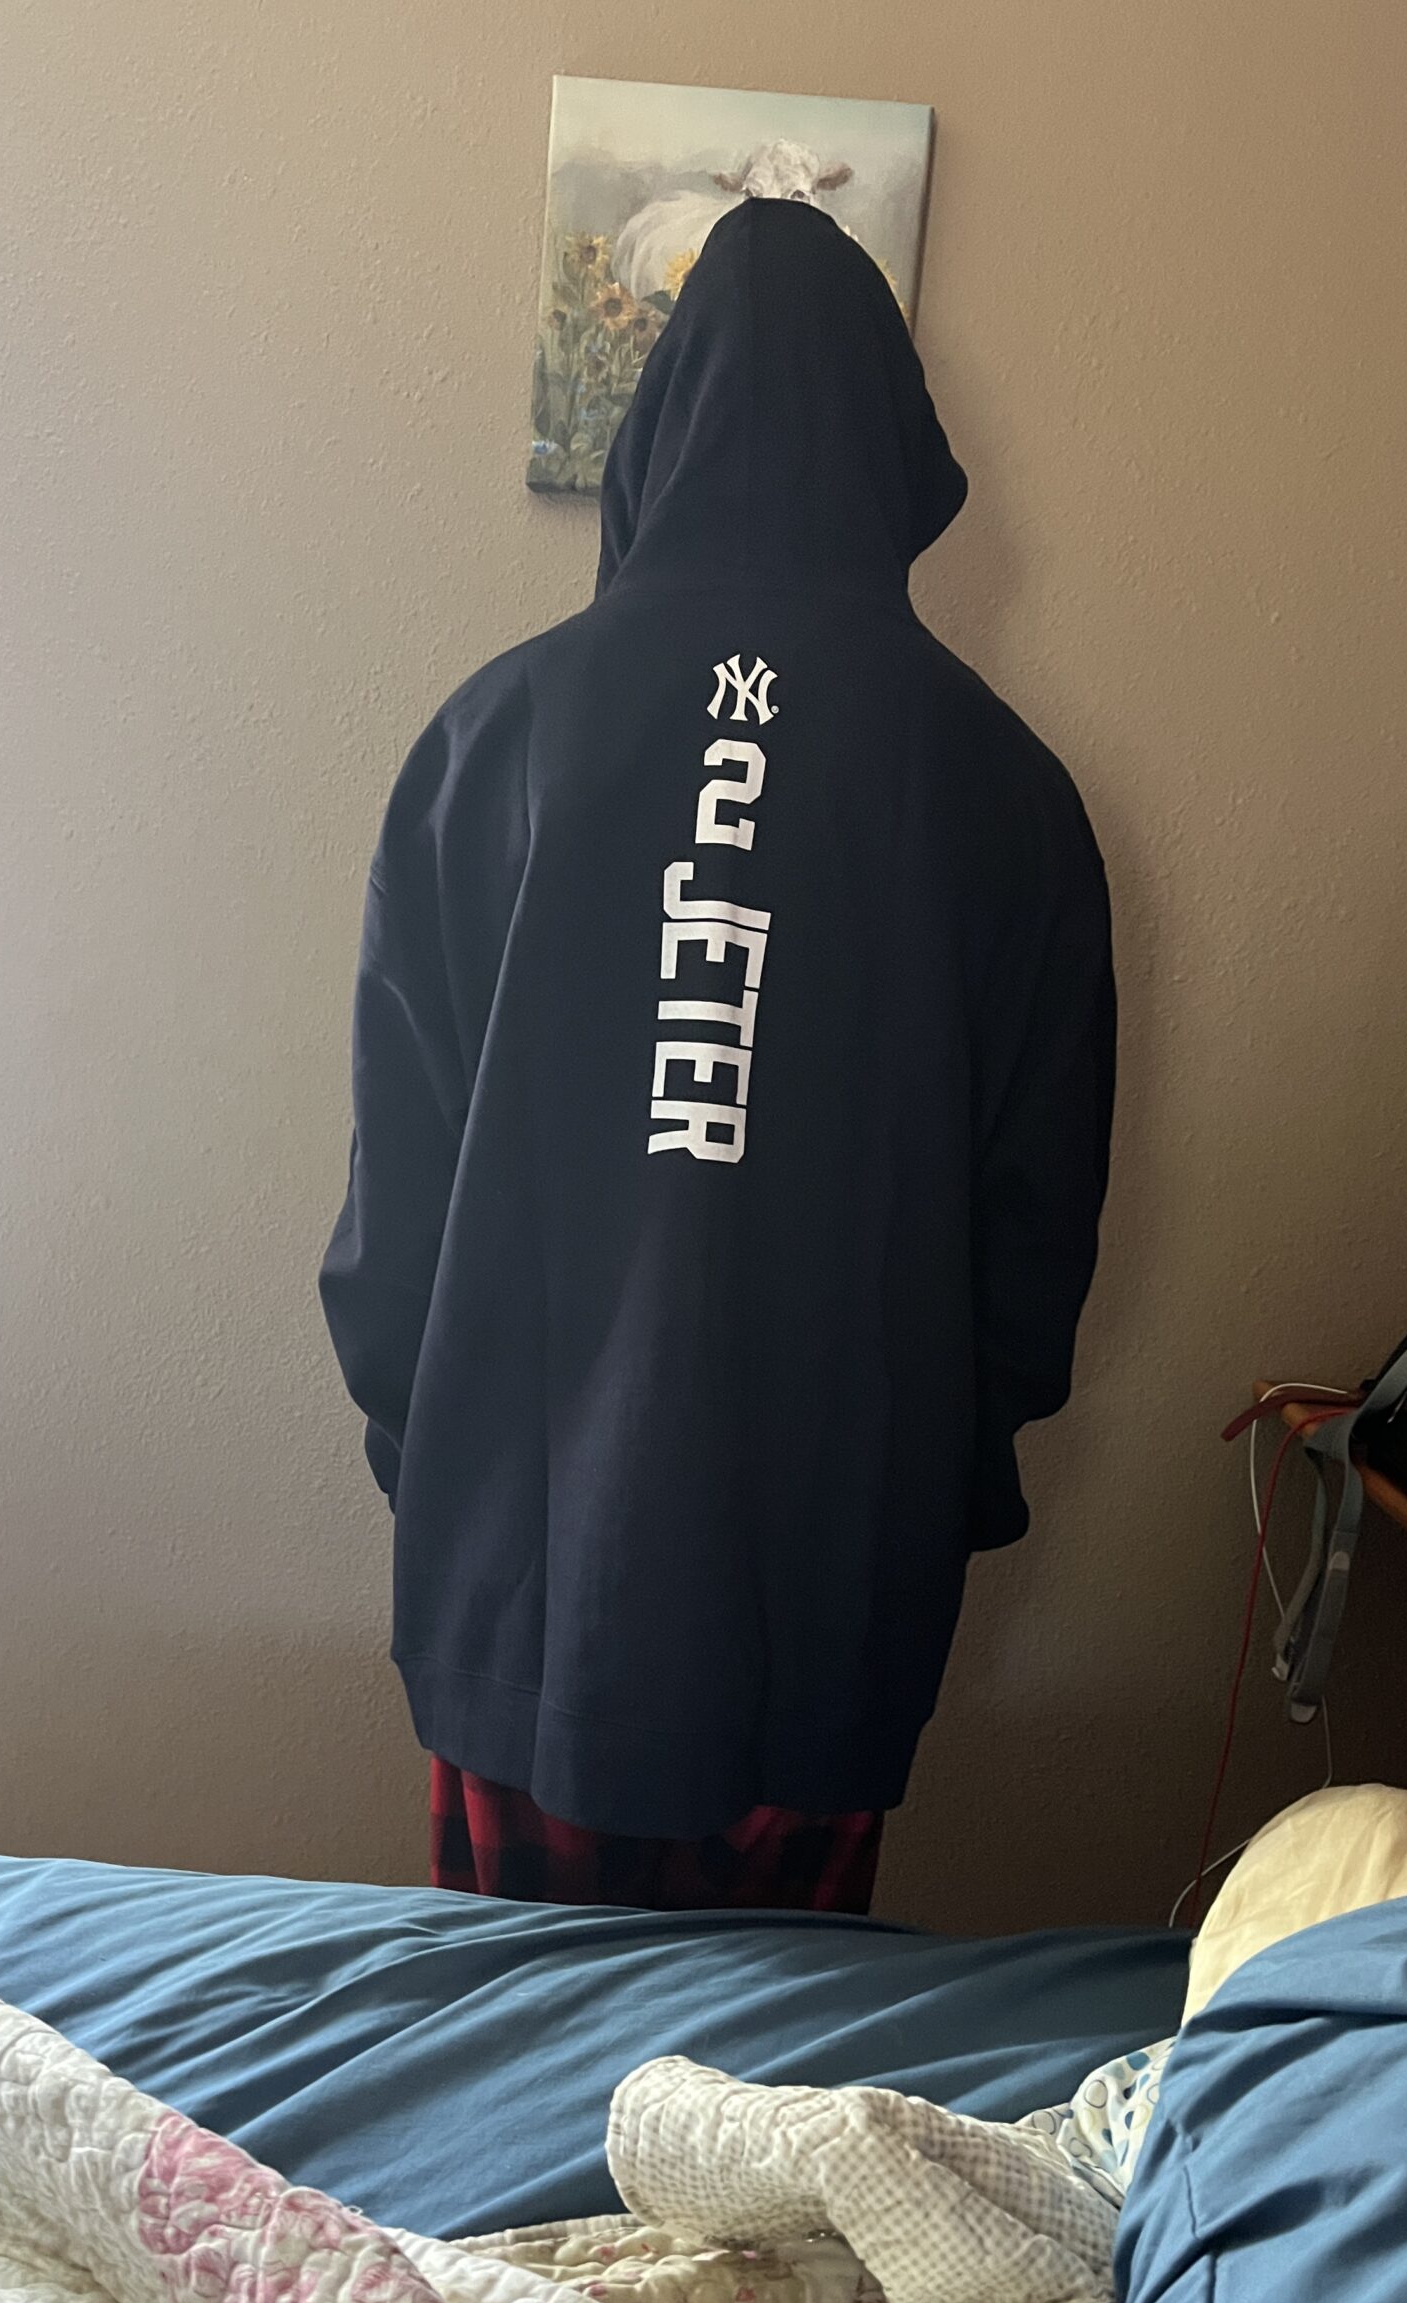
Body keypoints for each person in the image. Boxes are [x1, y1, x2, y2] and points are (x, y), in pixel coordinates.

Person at [321, 196, 1114, 1915]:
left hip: (512, 1583)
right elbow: (1036, 1241)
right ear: (896, 445)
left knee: (496, 2046)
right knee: (766, 2069)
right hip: (834, 1587)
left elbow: (397, 1191)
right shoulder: (1006, 795)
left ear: (654, 430)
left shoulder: (492, 740)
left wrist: (435, 1460)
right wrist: (939, 1491)